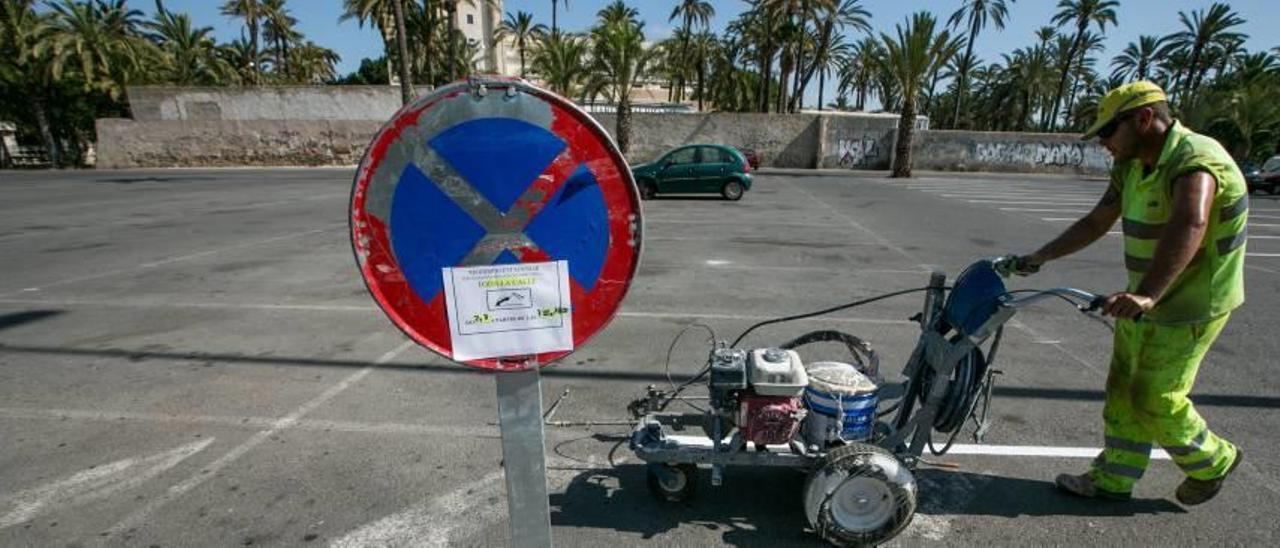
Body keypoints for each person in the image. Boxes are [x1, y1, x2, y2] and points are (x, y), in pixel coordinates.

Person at [997, 81, 1246, 505]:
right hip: (1142, 296)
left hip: (1192, 304)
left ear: (1143, 119)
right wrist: (1037, 258)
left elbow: (1191, 222)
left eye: (1108, 131)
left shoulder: (1196, 161)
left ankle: (1214, 461)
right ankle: (1114, 478)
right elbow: (1097, 221)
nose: (1102, 143)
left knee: (1154, 395)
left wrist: (1148, 294)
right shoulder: (1131, 164)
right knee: (1121, 387)